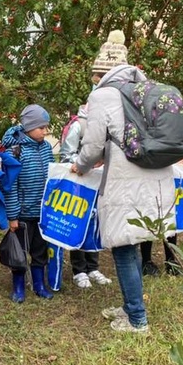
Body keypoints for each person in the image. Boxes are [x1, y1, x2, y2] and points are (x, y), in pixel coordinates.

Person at [71, 31, 176, 334]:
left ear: (101, 72)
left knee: (123, 248)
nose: (92, 79)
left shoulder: (103, 95)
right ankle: (131, 306)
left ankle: (137, 319)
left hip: (125, 182)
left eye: (93, 74)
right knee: (132, 243)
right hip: (154, 178)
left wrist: (80, 165)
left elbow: (91, 145)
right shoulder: (147, 90)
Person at [2, 104, 56, 302]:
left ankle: (39, 284)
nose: (45, 131)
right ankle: (18, 286)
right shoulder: (15, 151)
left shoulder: (47, 148)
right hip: (23, 212)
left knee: (40, 249)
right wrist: (13, 215)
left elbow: (52, 174)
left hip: (42, 211)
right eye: (41, 127)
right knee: (20, 251)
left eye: (46, 127)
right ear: (28, 127)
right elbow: (10, 186)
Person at [58, 104, 112, 289]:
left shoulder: (105, 126)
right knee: (79, 222)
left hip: (97, 183)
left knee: (95, 223)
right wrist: (84, 164)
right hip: (79, 183)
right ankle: (79, 270)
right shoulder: (78, 126)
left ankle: (93, 267)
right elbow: (66, 154)